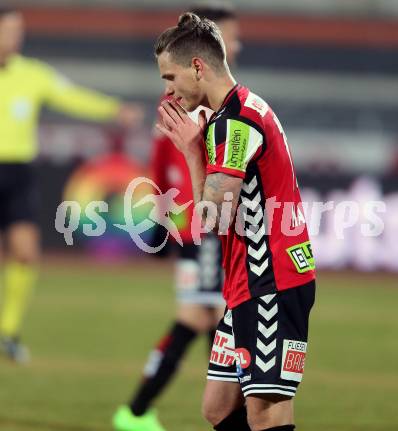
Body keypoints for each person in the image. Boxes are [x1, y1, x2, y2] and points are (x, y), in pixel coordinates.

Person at [155, 12, 316, 431]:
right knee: (219, 407)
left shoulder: (234, 123)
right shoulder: (237, 109)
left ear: (197, 67)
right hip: (248, 281)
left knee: (266, 411)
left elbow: (211, 218)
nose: (167, 89)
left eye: (170, 77)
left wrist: (192, 152)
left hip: (272, 281)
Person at [112, 4, 241, 431]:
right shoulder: (189, 100)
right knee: (213, 317)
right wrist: (167, 216)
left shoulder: (209, 100)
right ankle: (138, 411)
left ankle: (139, 410)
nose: (237, 44)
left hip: (200, 223)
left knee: (208, 318)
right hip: (202, 225)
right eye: (231, 36)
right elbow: (168, 161)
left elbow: (159, 160)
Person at [0, 7, 144, 363]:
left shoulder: (31, 74)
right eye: (9, 29)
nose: (16, 36)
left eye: (19, 29)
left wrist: (114, 110)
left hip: (18, 173)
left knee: (25, 252)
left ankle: (8, 332)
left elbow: (73, 96)